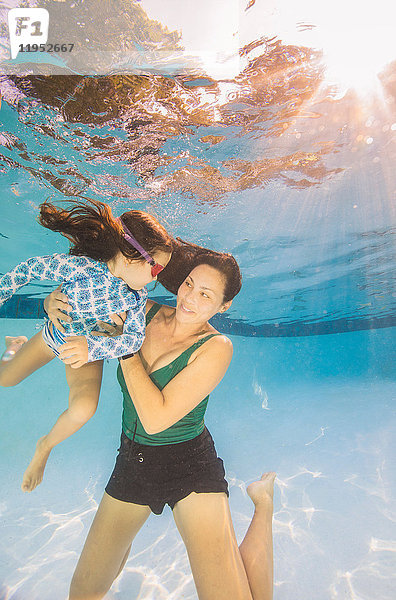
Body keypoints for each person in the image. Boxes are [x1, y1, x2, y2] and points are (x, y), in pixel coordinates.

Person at [44, 245, 275, 600]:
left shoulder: (216, 347)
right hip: (133, 462)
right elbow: (85, 296)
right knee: (82, 593)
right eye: (188, 284)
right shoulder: (143, 312)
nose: (189, 298)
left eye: (205, 295)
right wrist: (53, 302)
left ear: (223, 305)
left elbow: (154, 419)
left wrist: (123, 346)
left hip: (191, 466)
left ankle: (263, 504)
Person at [0, 198, 173, 492]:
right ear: (133, 254)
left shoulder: (135, 297)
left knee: (83, 409)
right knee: (5, 380)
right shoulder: (81, 268)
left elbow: (132, 339)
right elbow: (29, 269)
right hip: (53, 337)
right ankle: (14, 345)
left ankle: (45, 446)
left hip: (85, 353)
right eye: (156, 270)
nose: (156, 279)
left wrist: (91, 348)